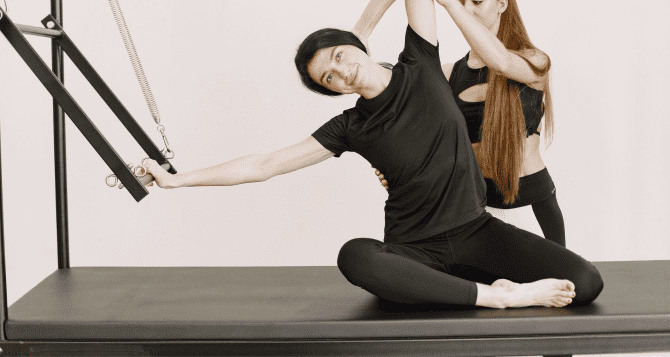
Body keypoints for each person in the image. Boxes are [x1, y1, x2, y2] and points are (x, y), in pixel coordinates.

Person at [143, 0, 602, 309]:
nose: (341, 73)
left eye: (339, 56)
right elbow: (265, 164)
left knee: (587, 281)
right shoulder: (350, 127)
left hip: (475, 231)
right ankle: (498, 296)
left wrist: (360, 25)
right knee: (355, 256)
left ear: (356, 47)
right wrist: (178, 180)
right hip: (412, 249)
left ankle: (480, 287)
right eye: (328, 78)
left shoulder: (422, 64)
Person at [360, 0, 565, 246]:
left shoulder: (535, 61)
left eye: (476, 1)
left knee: (566, 280)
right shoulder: (448, 74)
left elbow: (501, 62)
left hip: (533, 200)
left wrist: (451, 5)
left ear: (501, 4)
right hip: (474, 203)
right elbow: (416, 123)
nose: (467, 9)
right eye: (463, 2)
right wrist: (361, 31)